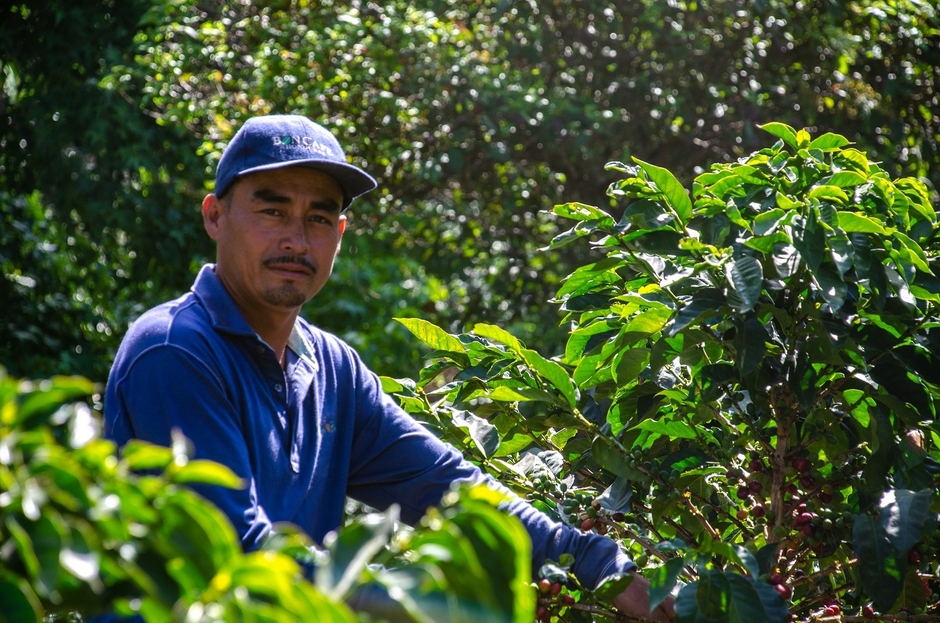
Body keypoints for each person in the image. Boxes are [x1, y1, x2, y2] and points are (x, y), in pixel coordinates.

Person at [104, 114, 675, 622]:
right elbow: (238, 558)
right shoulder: (175, 351)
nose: (296, 239)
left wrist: (606, 568)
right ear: (215, 216)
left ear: (340, 235)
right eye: (271, 209)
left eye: (319, 218)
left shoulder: (331, 369)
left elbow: (450, 486)